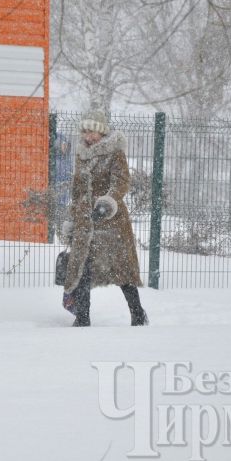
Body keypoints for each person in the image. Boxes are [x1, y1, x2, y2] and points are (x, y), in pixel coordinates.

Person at [60, 110, 148, 327]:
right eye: (85, 131)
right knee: (82, 270)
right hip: (84, 221)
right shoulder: (81, 154)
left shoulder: (114, 153)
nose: (87, 136)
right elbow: (77, 190)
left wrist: (106, 202)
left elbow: (121, 182)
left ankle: (138, 315)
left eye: (91, 131)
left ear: (101, 132)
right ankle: (83, 318)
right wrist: (73, 217)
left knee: (122, 272)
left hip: (111, 222)